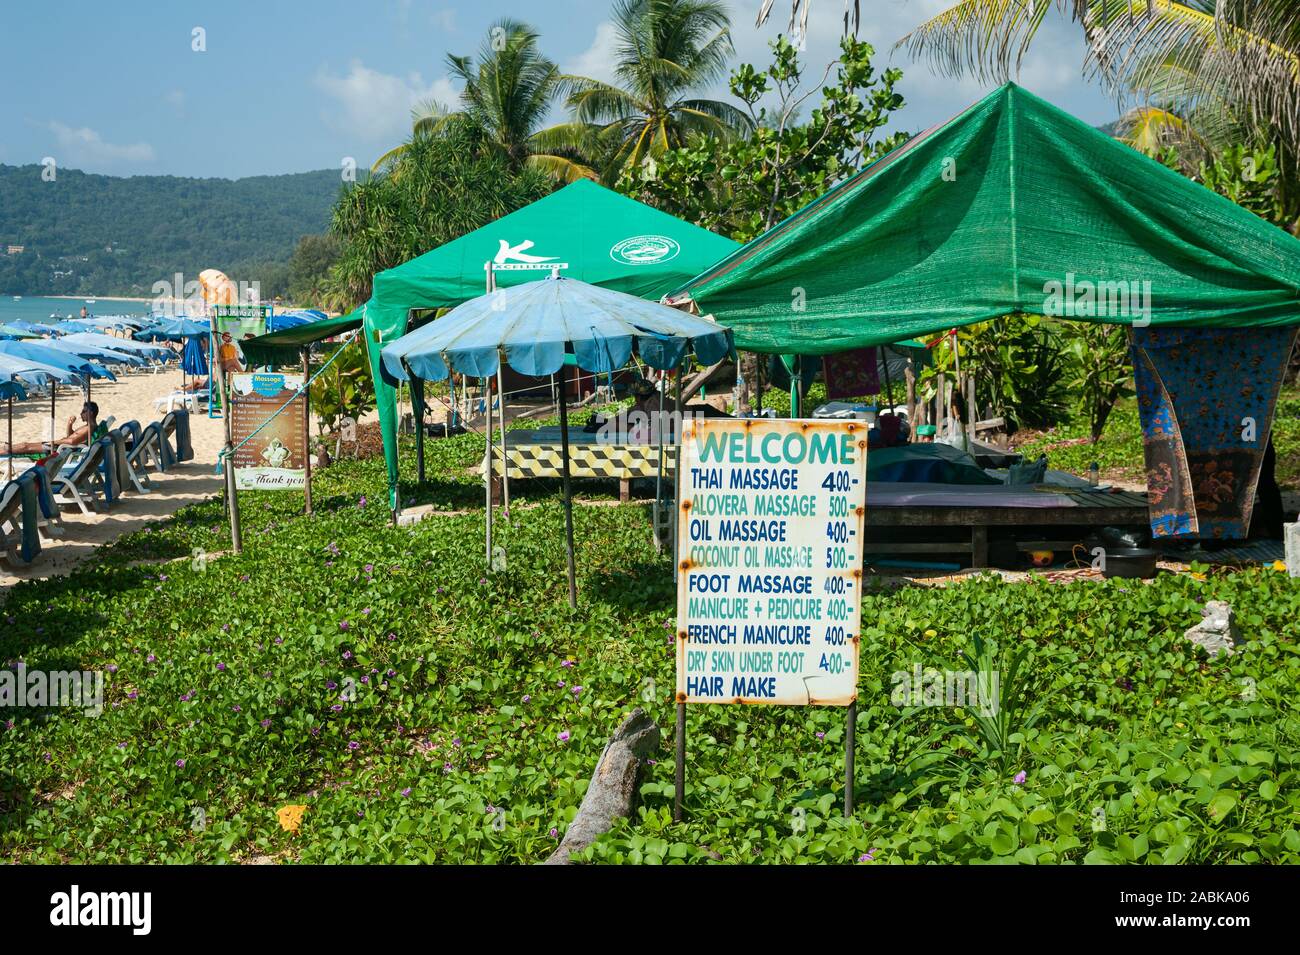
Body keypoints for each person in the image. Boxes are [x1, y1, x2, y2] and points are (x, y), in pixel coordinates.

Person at [3, 401, 104, 455]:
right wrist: (69, 424)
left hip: (58, 449)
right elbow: (71, 436)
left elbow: (72, 441)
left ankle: (6, 450)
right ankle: (6, 448)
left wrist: (54, 442)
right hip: (60, 446)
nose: (81, 414)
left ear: (90, 413)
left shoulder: (89, 428)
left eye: (83, 411)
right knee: (24, 445)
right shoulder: (88, 427)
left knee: (25, 447)